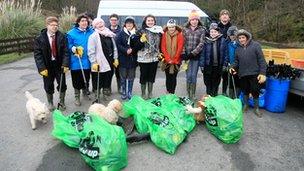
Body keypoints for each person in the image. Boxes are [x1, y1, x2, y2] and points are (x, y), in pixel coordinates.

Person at [34, 16, 69, 111]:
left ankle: (62, 102)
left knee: (62, 84)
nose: (55, 27)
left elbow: (66, 51)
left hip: (59, 65)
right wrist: (41, 68)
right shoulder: (40, 38)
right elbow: (38, 55)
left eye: (56, 25)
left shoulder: (62, 36)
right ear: (47, 25)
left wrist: (65, 64)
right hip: (47, 66)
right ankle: (50, 102)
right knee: (48, 85)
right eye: (52, 25)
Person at [229, 29, 267, 117]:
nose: (241, 39)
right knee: (245, 90)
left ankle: (256, 108)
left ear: (247, 37)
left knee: (255, 90)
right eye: (239, 38)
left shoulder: (256, 45)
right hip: (243, 73)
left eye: (243, 37)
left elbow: (261, 60)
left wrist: (263, 73)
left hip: (254, 73)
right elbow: (236, 62)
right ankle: (245, 105)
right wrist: (232, 67)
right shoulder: (238, 49)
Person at [88, 18, 118, 102]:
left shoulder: (109, 34)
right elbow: (91, 51)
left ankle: (105, 93)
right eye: (97, 23)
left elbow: (114, 47)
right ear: (94, 26)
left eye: (101, 22)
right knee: (97, 78)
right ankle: (97, 95)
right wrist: (93, 62)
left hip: (109, 60)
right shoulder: (93, 36)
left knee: (108, 77)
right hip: (98, 61)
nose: (100, 24)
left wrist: (115, 58)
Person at [67, 14, 94, 106]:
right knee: (76, 80)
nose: (84, 22)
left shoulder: (91, 32)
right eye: (82, 21)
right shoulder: (71, 33)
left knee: (86, 77)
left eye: (86, 21)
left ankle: (85, 92)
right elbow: (68, 45)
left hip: (87, 60)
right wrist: (74, 49)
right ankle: (77, 97)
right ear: (78, 22)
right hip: (76, 60)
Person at [137, 14, 163, 99]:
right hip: (143, 59)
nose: (150, 22)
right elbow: (135, 45)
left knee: (151, 76)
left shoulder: (159, 31)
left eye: (152, 20)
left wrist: (161, 53)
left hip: (154, 58)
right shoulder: (140, 31)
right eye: (148, 20)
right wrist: (140, 40)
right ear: (145, 21)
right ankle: (143, 93)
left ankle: (150, 93)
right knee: (143, 76)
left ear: (154, 21)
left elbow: (161, 44)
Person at [182, 10, 206, 100]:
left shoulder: (202, 30)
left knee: (193, 75)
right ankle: (188, 94)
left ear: (198, 20)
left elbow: (201, 43)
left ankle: (193, 93)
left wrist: (193, 53)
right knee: (188, 75)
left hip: (195, 56)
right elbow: (182, 42)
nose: (194, 21)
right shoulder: (185, 30)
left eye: (196, 19)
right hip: (186, 57)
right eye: (192, 19)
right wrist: (184, 53)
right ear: (189, 21)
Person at [199, 23, 228, 97]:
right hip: (208, 65)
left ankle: (214, 94)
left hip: (218, 65)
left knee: (216, 81)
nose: (213, 33)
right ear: (209, 32)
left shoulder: (223, 40)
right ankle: (208, 95)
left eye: (215, 32)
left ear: (218, 32)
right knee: (208, 81)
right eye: (212, 32)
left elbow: (225, 54)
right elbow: (202, 54)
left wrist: (224, 64)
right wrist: (202, 65)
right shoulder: (206, 41)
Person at [115, 16, 139, 100]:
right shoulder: (120, 33)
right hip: (123, 59)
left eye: (131, 23)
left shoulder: (136, 33)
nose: (129, 24)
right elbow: (118, 45)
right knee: (123, 77)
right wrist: (125, 50)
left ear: (133, 24)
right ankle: (124, 91)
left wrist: (132, 50)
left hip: (132, 59)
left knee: (131, 77)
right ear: (125, 24)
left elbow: (139, 45)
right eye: (127, 23)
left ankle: (129, 92)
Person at [160, 19, 184, 94]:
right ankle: (168, 92)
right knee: (168, 77)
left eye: (173, 27)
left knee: (173, 77)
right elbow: (163, 47)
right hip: (167, 60)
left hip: (176, 60)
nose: (171, 29)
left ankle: (172, 92)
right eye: (170, 27)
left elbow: (180, 47)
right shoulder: (164, 34)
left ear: (175, 27)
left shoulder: (179, 35)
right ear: (167, 27)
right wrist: (168, 59)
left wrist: (174, 59)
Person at [218, 9, 232, 96]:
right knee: (217, 74)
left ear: (229, 17)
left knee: (226, 75)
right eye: (223, 14)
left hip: (228, 54)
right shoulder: (216, 26)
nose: (225, 16)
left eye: (226, 14)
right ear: (220, 17)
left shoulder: (232, 27)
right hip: (218, 53)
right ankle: (214, 91)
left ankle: (224, 92)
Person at [109, 13, 122, 94]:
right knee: (109, 73)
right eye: (112, 20)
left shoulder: (121, 31)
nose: (113, 21)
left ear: (118, 21)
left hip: (119, 56)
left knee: (118, 73)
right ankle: (108, 88)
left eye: (115, 20)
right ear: (109, 21)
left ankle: (119, 87)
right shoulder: (105, 30)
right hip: (109, 56)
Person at [226, 26, 240, 98]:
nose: (232, 37)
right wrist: (227, 62)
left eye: (233, 35)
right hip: (230, 65)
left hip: (238, 66)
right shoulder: (228, 44)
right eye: (231, 36)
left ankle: (236, 96)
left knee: (237, 81)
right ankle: (230, 96)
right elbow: (227, 55)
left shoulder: (239, 44)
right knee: (231, 81)